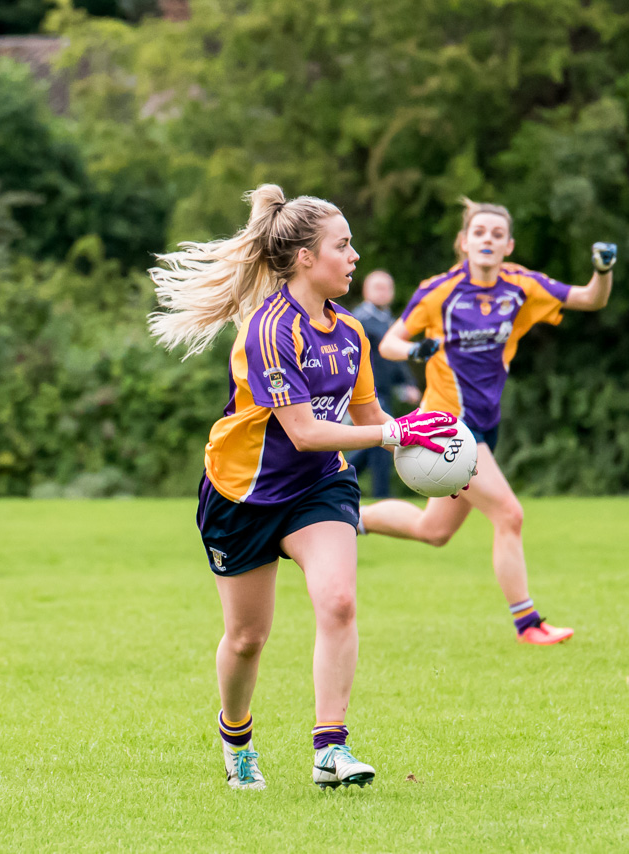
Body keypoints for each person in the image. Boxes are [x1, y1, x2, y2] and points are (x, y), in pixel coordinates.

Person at [148, 184, 458, 790]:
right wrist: (393, 434)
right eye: (343, 246)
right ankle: (236, 738)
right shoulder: (270, 331)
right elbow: (306, 430)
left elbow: (369, 424)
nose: (355, 256)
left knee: (339, 601)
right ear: (305, 259)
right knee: (246, 638)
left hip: (319, 488)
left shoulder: (350, 333)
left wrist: (434, 447)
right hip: (243, 494)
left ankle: (330, 748)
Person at [358, 198, 617, 645]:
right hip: (447, 425)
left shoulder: (520, 285)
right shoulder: (438, 290)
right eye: (479, 232)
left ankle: (346, 516)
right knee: (509, 514)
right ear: (463, 242)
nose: (488, 239)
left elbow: (591, 298)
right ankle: (528, 623)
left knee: (433, 530)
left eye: (497, 234)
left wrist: (603, 269)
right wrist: (415, 351)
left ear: (508, 244)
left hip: (484, 423)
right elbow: (390, 344)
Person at [346, 270, 421, 498]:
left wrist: (408, 383)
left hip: (386, 392)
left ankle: (331, 481)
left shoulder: (389, 320)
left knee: (373, 448)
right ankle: (382, 498)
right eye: (378, 287)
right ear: (366, 291)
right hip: (367, 394)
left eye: (387, 287)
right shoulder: (359, 320)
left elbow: (394, 358)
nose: (383, 292)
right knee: (383, 442)